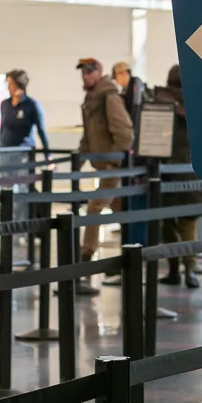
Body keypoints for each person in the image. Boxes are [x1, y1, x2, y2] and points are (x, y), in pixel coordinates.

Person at [154, 64, 202, 289]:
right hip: (191, 172)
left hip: (167, 171)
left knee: (169, 224)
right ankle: (189, 269)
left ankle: (173, 269)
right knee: (188, 225)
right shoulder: (199, 105)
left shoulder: (160, 101)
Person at [77, 58, 135, 262]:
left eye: (89, 72)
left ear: (99, 72)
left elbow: (125, 132)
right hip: (103, 166)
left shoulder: (108, 97)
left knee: (94, 208)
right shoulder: (92, 99)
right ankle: (135, 252)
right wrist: (79, 158)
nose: (85, 76)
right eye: (83, 72)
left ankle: (86, 255)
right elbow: (88, 135)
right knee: (121, 209)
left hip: (112, 168)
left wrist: (113, 162)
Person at [0, 70, 49, 221]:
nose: (9, 87)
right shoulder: (5, 104)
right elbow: (3, 129)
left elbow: (41, 131)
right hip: (7, 155)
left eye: (11, 84)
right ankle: (7, 224)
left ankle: (23, 226)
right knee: (6, 190)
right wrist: (0, 153)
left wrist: (48, 156)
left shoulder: (31, 105)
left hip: (23, 155)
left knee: (22, 191)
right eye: (7, 84)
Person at [112, 61, 146, 125]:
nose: (116, 80)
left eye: (115, 76)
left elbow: (134, 110)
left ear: (123, 73)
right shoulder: (127, 89)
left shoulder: (135, 84)